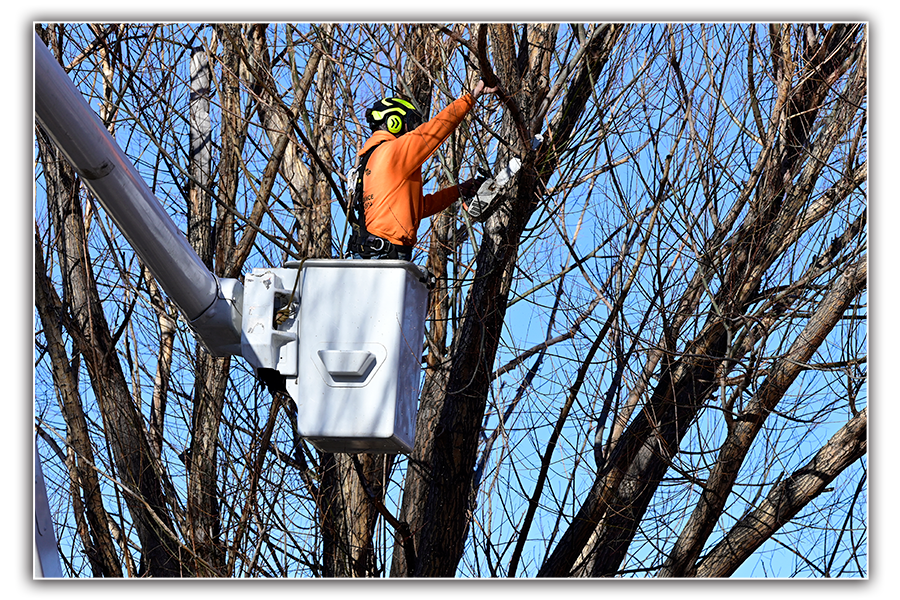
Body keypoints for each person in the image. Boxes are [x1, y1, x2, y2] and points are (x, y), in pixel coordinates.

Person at [348, 80, 498, 260]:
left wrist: (461, 190)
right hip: (383, 256)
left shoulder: (372, 158)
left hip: (376, 253)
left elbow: (417, 208)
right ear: (394, 121)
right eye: (410, 122)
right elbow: (435, 130)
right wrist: (472, 97)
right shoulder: (393, 152)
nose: (413, 128)